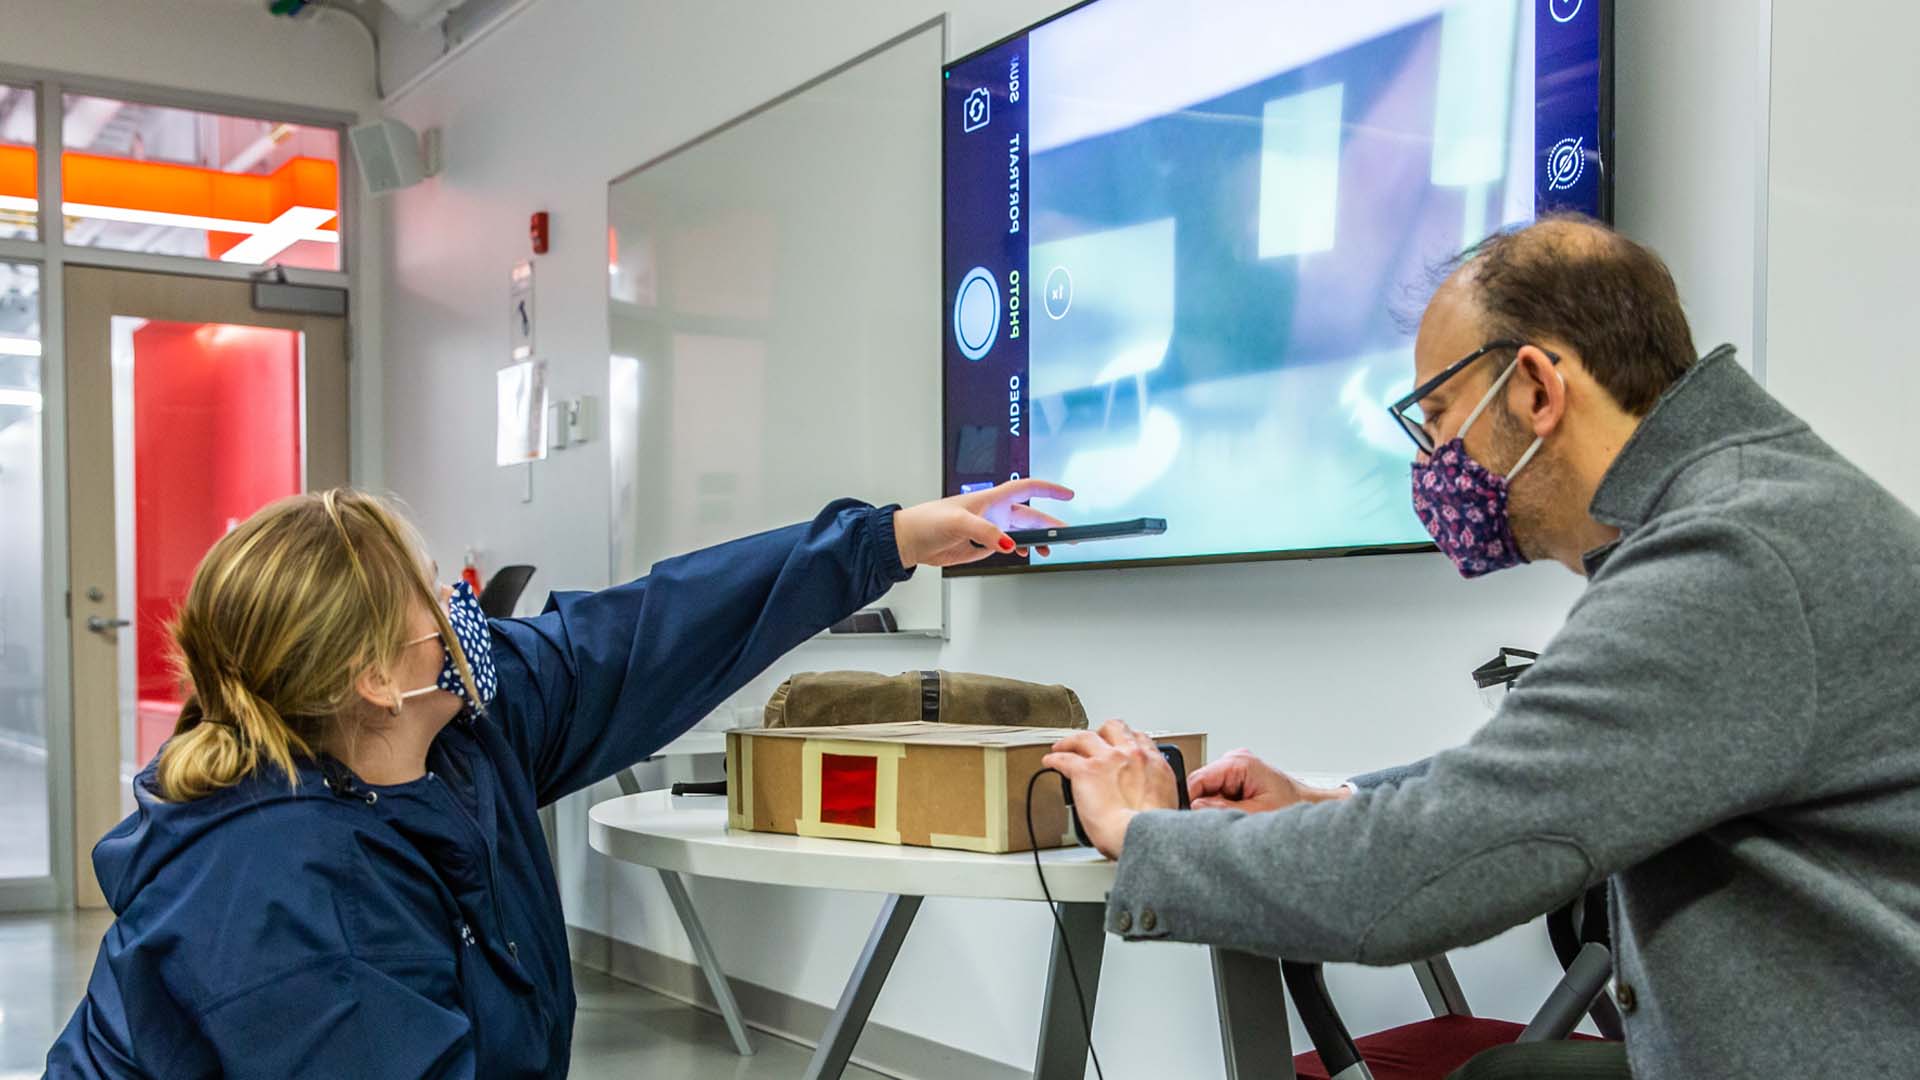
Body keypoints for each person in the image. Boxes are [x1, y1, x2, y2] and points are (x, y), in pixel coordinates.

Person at [1045, 216, 1920, 1080]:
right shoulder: (1742, 511)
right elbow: (1548, 768)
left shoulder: (1728, 561)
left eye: (1438, 414)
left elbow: (1408, 878)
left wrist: (1142, 831)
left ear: (1538, 388)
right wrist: (1325, 797)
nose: (1432, 460)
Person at [47, 480, 1072, 1078]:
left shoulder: (455, 729)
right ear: (369, 675)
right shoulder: (282, 894)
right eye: (432, 597)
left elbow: (642, 634)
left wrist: (881, 542)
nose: (462, 612)